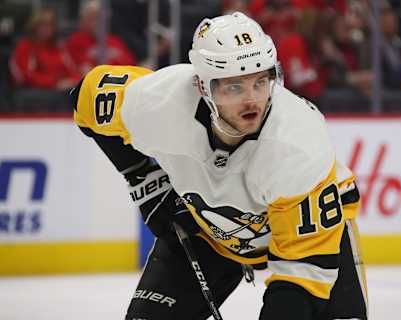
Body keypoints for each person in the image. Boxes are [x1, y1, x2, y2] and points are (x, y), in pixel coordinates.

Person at [71, 12, 367, 320]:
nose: (252, 101)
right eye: (234, 87)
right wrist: (142, 179)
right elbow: (85, 96)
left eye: (260, 82)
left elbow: (303, 273)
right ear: (202, 86)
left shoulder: (297, 142)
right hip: (206, 233)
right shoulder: (160, 101)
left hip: (313, 237)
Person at [10, 7, 80, 89]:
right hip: (33, 94)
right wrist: (55, 82)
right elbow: (24, 76)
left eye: (50, 25)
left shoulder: (59, 48)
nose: (46, 28)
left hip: (60, 92)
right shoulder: (25, 46)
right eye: (42, 24)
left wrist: (73, 81)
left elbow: (72, 71)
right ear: (34, 26)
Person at [66, 0, 137, 76]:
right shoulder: (76, 41)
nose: (97, 22)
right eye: (92, 18)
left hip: (119, 82)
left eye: (101, 18)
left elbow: (131, 66)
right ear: (84, 20)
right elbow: (83, 71)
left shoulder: (115, 40)